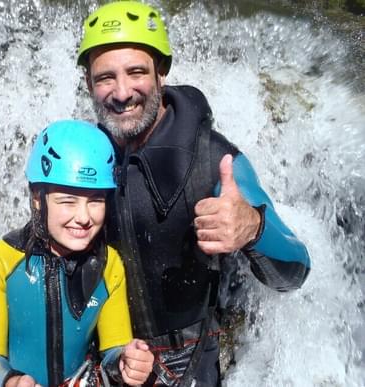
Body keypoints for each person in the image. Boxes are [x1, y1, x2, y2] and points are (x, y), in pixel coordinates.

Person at [76, 2, 311, 386]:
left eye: (136, 72)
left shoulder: (212, 159)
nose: (121, 93)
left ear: (161, 72)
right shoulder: (82, 156)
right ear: (89, 83)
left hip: (189, 367)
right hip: (109, 365)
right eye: (105, 77)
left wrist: (251, 227)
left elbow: (296, 271)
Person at [0, 120, 154, 387]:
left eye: (96, 200)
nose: (83, 217)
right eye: (68, 201)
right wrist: (10, 381)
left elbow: (113, 347)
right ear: (37, 198)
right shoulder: (1, 260)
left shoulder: (108, 264)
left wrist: (126, 360)